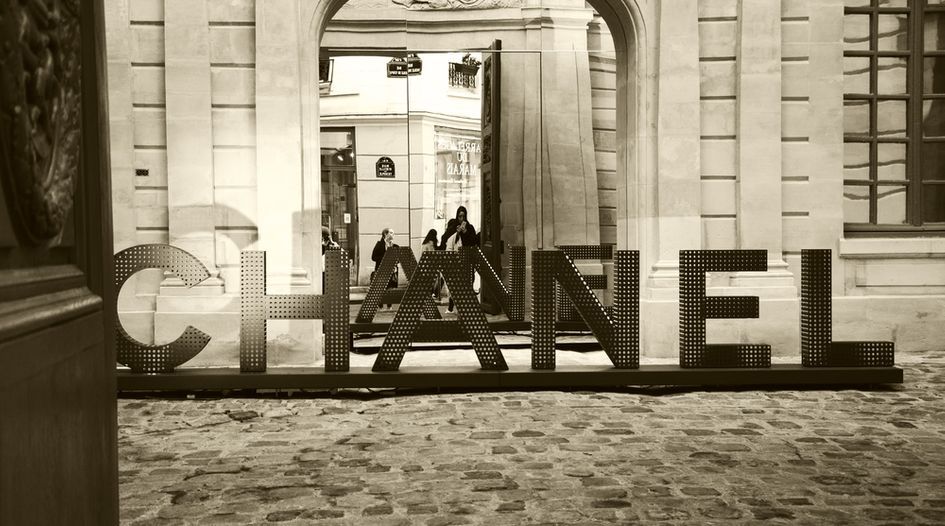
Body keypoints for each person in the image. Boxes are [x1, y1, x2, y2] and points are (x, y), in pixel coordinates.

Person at [439, 206, 478, 312]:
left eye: (463, 216)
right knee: (454, 285)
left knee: (468, 283)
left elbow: (473, 241)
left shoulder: (469, 228)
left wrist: (465, 232)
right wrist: (456, 233)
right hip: (455, 261)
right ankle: (451, 307)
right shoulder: (453, 228)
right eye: (460, 216)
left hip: (467, 260)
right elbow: (444, 240)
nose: (462, 218)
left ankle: (467, 307)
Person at [371, 228, 398, 310]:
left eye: (393, 233)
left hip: (391, 271)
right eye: (391, 233)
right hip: (381, 270)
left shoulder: (395, 246)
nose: (393, 234)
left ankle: (389, 306)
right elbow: (373, 257)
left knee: (390, 288)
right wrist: (385, 258)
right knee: (380, 288)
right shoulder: (379, 245)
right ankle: (381, 305)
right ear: (385, 234)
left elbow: (399, 258)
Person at [421, 229, 443, 301]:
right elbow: (432, 254)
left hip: (425, 265)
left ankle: (430, 294)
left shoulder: (424, 243)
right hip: (431, 265)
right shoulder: (431, 244)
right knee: (437, 280)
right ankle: (435, 294)